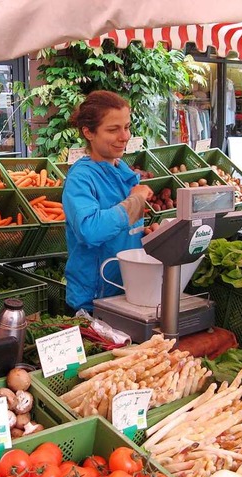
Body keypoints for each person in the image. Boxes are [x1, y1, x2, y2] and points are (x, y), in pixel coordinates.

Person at [62, 91, 153, 313]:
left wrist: (147, 234)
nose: (124, 136)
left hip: (128, 292)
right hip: (94, 301)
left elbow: (123, 229)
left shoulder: (123, 171)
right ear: (88, 132)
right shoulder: (81, 178)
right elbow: (90, 230)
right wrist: (135, 201)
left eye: (127, 127)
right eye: (113, 129)